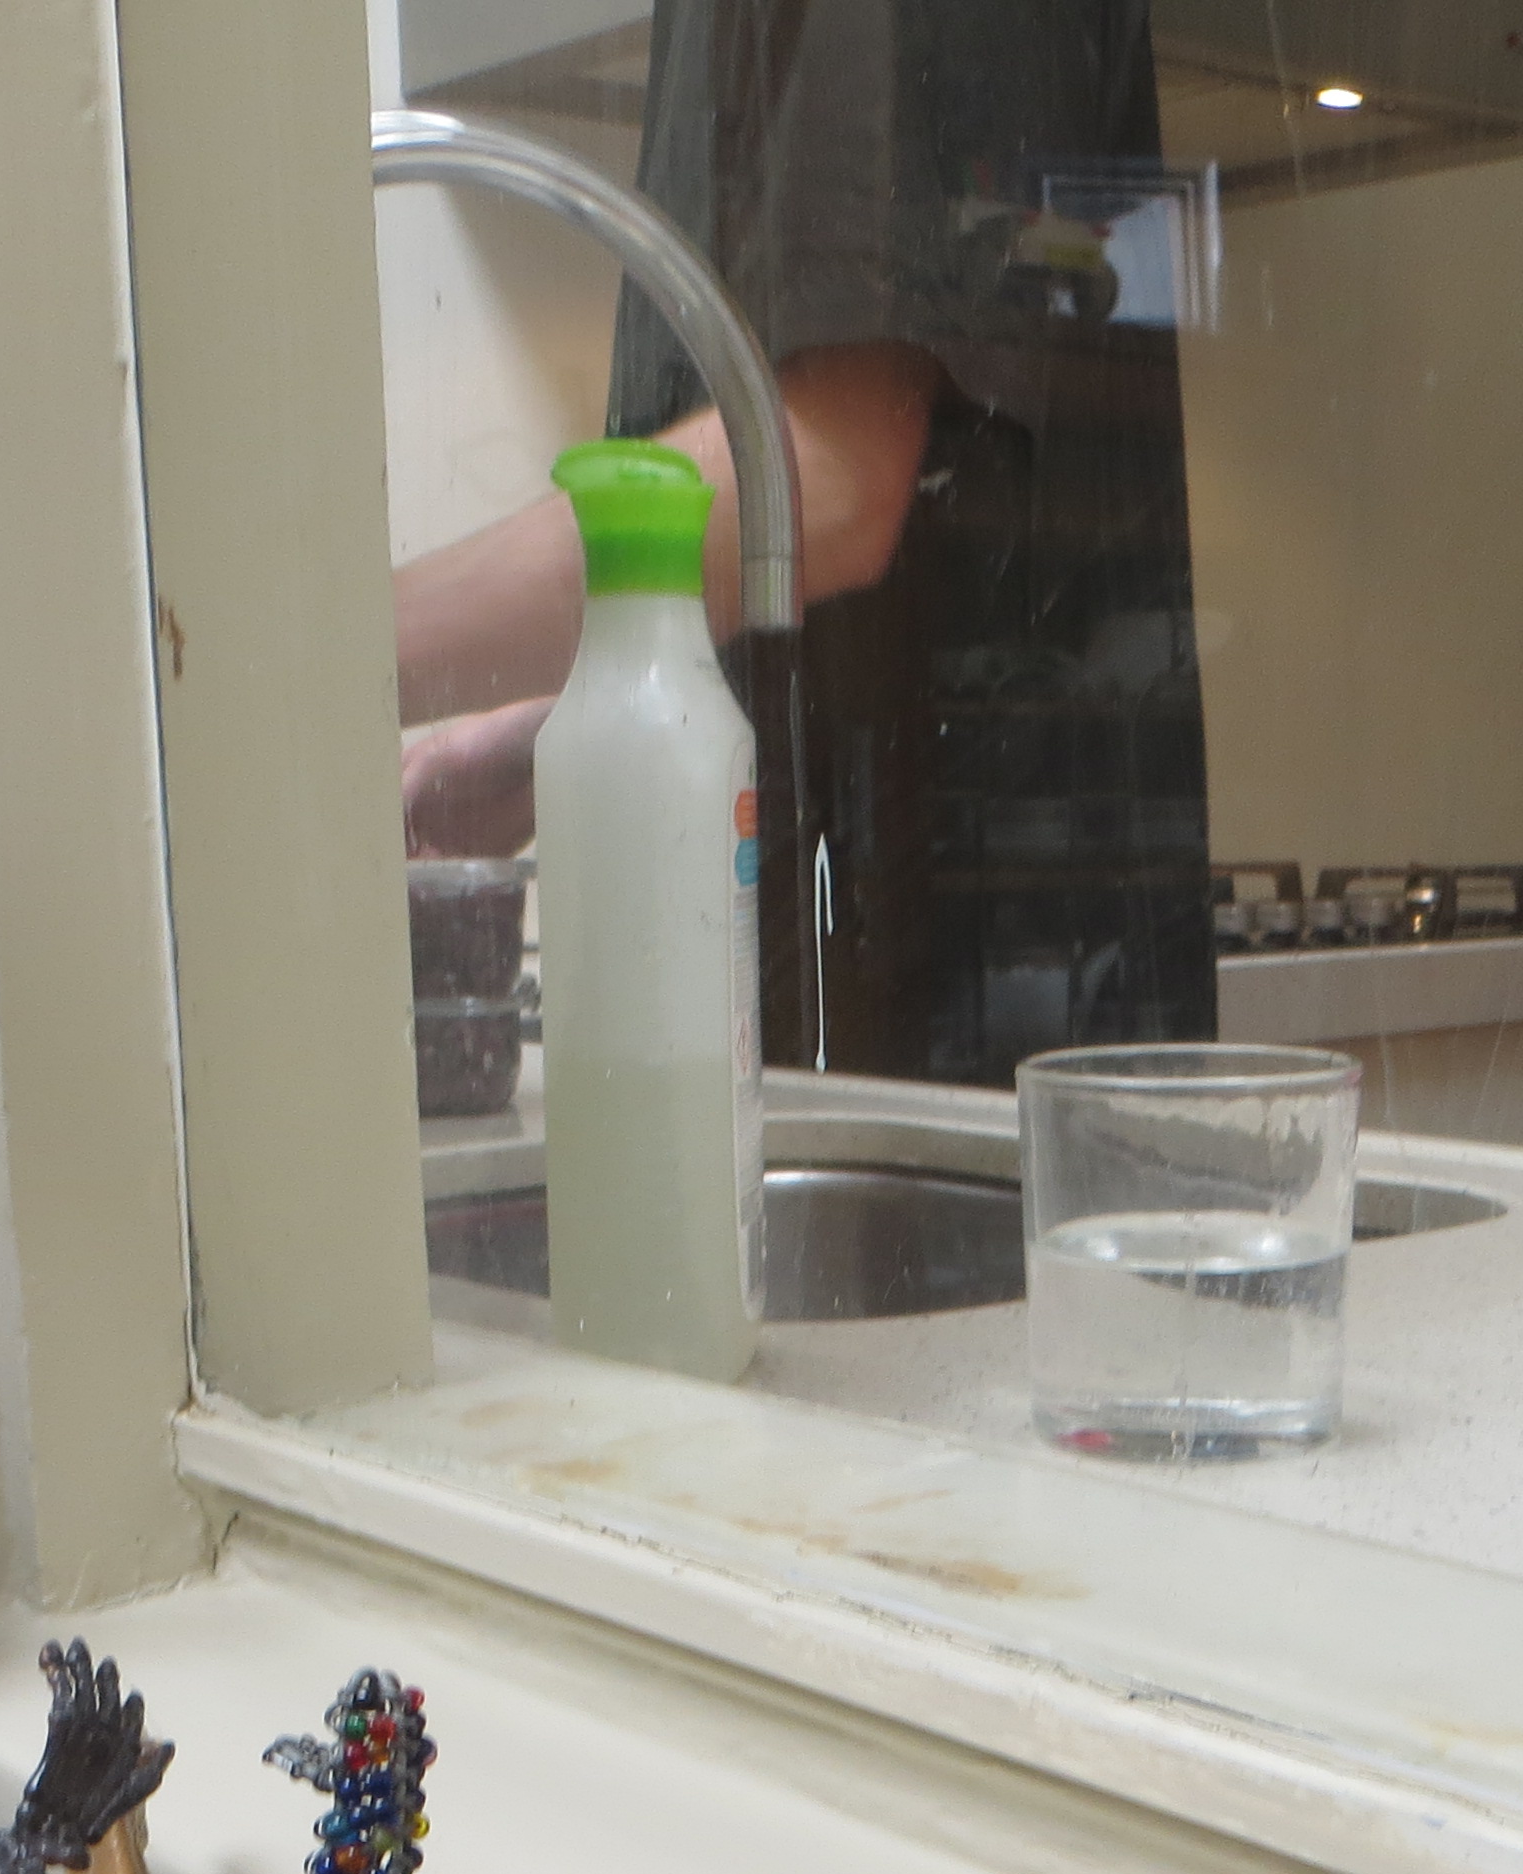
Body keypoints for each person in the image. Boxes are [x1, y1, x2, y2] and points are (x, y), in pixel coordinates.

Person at [392, 0, 1215, 1086]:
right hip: (865, 990)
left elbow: (826, 483)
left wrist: (300, 660)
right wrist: (576, 725)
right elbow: (838, 576)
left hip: (937, 1015)